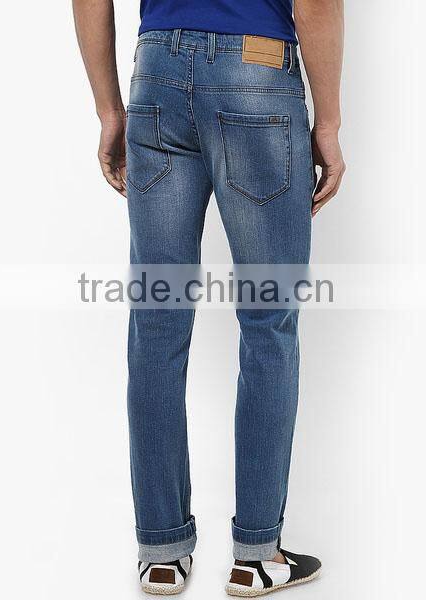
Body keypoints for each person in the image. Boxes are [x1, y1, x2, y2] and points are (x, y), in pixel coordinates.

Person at [73, 0, 345, 595]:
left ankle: (162, 553)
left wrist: (109, 110)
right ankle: (257, 556)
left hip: (156, 77)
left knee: (157, 323)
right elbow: (317, 4)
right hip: (258, 76)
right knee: (269, 319)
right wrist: (327, 123)